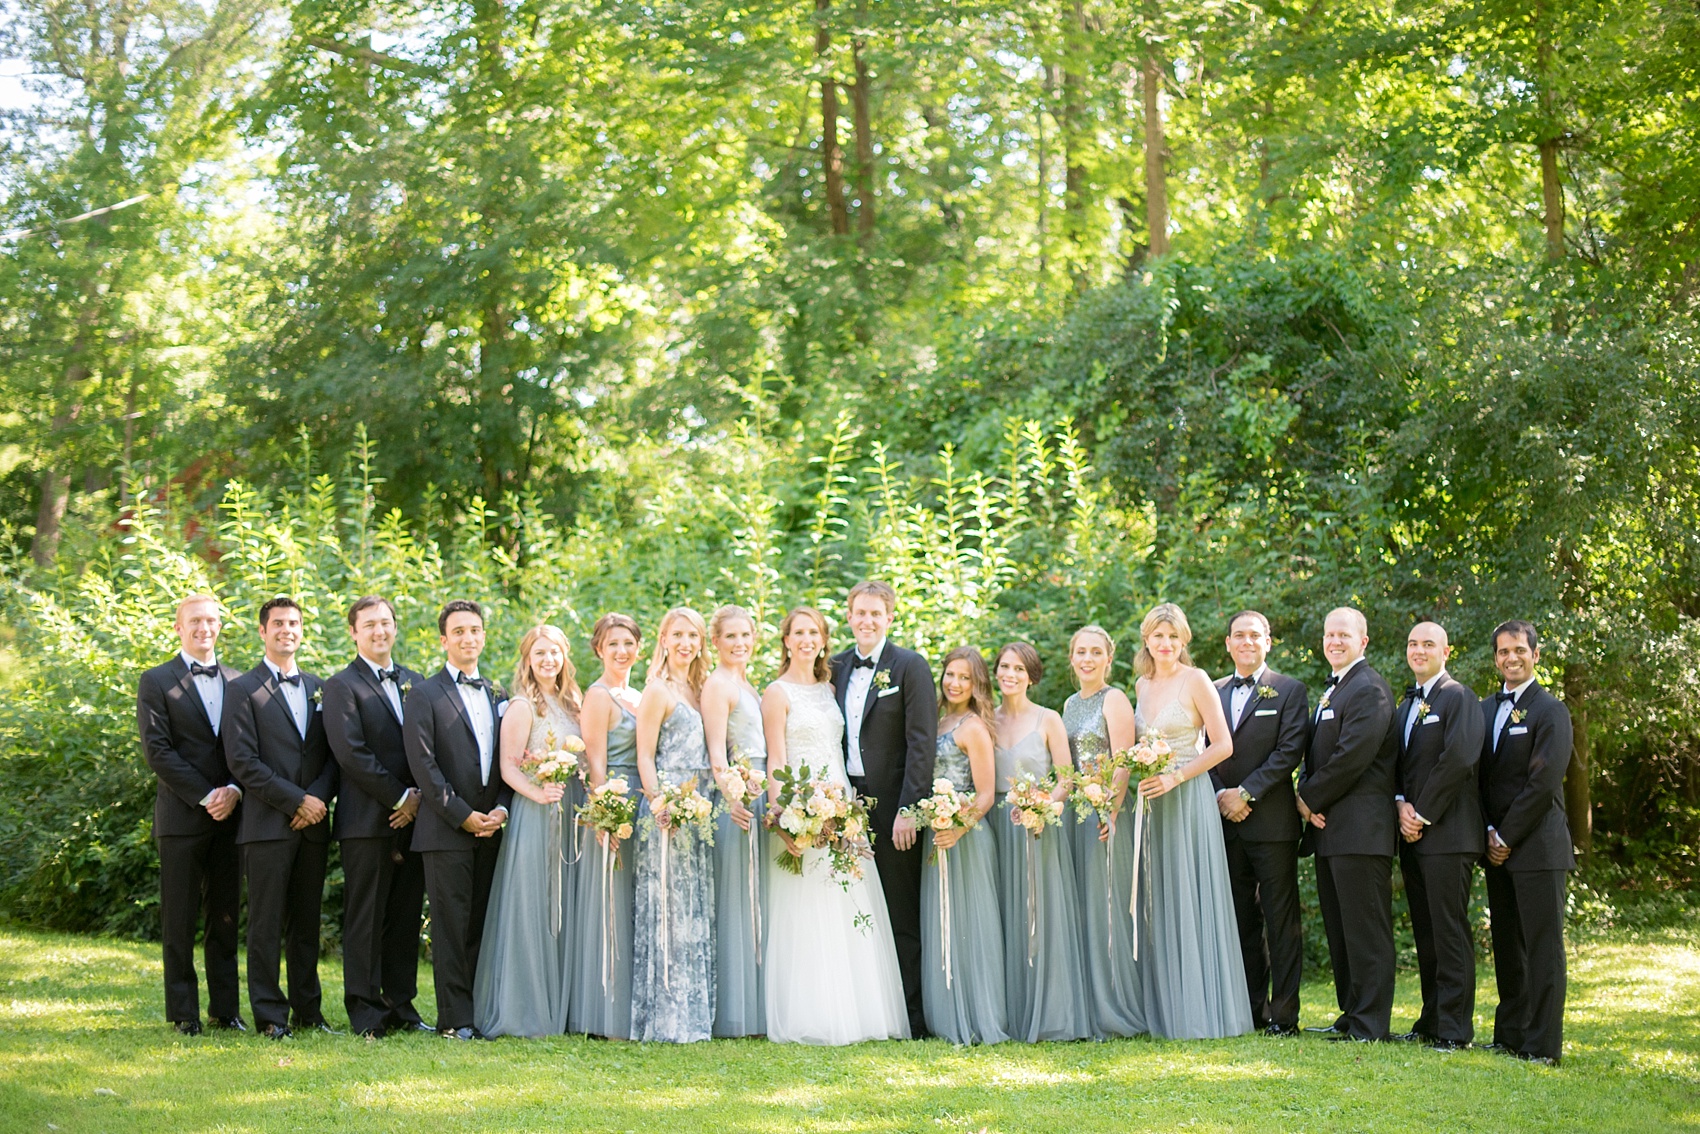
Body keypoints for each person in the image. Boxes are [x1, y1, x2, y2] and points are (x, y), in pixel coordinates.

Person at [763, 606, 909, 1044]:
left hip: (841, 804)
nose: (806, 639)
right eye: (798, 632)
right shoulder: (776, 692)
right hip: (800, 805)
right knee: (806, 905)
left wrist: (841, 806)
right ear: (786, 640)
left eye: (814, 632)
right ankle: (813, 1014)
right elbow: (776, 759)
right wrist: (782, 818)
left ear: (824, 639)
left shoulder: (830, 688)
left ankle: (859, 1012)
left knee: (847, 901)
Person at [1130, 604, 1252, 1040]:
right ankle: (1165, 1007)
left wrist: (1177, 775)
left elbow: (1223, 746)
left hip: (1188, 796)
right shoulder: (1141, 685)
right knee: (1160, 896)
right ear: (1147, 639)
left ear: (1184, 641)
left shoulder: (1196, 680)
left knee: (1191, 893)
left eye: (1173, 637)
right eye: (1158, 636)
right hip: (1153, 802)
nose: (1165, 644)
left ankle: (1201, 1010)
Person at [223, 596, 338, 1040]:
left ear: (301, 629)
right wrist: (295, 802)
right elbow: (242, 761)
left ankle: (310, 1011)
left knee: (307, 923)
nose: (286, 629)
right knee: (267, 925)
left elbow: (331, 756)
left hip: (312, 827)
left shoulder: (319, 687)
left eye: (293, 623)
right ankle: (271, 1015)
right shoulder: (242, 689)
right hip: (267, 825)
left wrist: (316, 802)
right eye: (277, 623)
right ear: (262, 631)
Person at [829, 580, 937, 1038]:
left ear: (890, 617)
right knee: (848, 907)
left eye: (876, 613)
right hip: (842, 804)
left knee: (899, 910)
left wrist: (911, 809)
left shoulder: (910, 666)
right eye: (859, 613)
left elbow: (921, 743)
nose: (867, 621)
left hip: (894, 808)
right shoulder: (832, 667)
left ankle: (910, 1018)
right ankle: (861, 1012)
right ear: (849, 616)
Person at [137, 594, 245, 1036]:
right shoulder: (156, 681)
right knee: (179, 919)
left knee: (224, 916)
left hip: (233, 816)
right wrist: (207, 795)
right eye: (195, 621)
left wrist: (235, 790)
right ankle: (183, 1012)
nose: (204, 627)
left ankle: (225, 1010)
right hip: (183, 816)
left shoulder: (239, 682)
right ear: (178, 628)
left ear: (220, 627)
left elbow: (246, 750)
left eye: (212, 620)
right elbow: (157, 752)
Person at [404, 600, 511, 1040]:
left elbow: (510, 760)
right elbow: (424, 768)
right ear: (444, 640)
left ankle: (478, 1012)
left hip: (492, 827)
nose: (469, 638)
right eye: (459, 631)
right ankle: (454, 1019)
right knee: (450, 926)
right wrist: (463, 815)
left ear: (484, 636)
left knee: (481, 923)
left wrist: (501, 808)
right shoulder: (424, 695)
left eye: (475, 630)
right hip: (445, 829)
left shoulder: (498, 694)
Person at [322, 595, 428, 1039]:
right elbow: (351, 754)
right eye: (369, 625)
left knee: (404, 916)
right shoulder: (341, 686)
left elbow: (427, 746)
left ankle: (401, 1005)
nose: (379, 631)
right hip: (367, 820)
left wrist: (419, 799)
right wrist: (400, 797)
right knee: (365, 917)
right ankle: (365, 1010)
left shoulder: (416, 682)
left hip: (417, 817)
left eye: (386, 623)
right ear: (354, 632)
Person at [474, 624, 583, 1037]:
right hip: (537, 812)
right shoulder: (521, 706)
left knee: (565, 902)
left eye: (554, 652)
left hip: (570, 808)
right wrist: (538, 795)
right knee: (533, 904)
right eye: (539, 654)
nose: (548, 661)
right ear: (528, 659)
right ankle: (526, 1009)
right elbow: (508, 766)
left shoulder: (574, 702)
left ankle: (565, 1004)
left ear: (564, 656)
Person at [1296, 606, 1398, 1043]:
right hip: (1332, 830)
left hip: (1361, 829)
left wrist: (1305, 797)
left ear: (1363, 641)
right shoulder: (1334, 690)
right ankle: (1352, 1013)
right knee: (1341, 930)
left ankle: (1371, 1023)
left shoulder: (1369, 689)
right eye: (1328, 634)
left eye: (1343, 634)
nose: (1334, 641)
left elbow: (1352, 756)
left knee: (1366, 930)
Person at [1479, 619, 1574, 1066]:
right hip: (1496, 850)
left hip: (1537, 848)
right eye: (1503, 651)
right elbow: (1476, 779)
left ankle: (1543, 1045)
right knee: (1508, 946)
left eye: (1519, 650)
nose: (1510, 658)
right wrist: (1487, 833)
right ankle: (1511, 1034)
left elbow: (1543, 782)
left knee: (1542, 948)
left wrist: (1507, 835)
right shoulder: (1483, 709)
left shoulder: (1550, 710)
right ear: (1495, 658)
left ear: (1536, 654)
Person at [1209, 610, 1309, 1036]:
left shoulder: (1289, 690)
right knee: (1240, 922)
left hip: (1271, 825)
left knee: (1281, 920)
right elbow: (1200, 747)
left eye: (1255, 635)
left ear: (1269, 641)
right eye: (1239, 635)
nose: (1246, 642)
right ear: (1228, 643)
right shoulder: (1210, 690)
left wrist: (1244, 794)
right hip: (1224, 825)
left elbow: (1289, 752)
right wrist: (1219, 795)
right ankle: (1250, 1010)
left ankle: (1284, 1014)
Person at [990, 641, 1095, 1042]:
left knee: (1043, 913)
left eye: (1018, 668)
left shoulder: (1048, 718)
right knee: (1006, 913)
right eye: (1004, 666)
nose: (1010, 674)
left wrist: (1043, 808)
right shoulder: (987, 720)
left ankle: (1052, 1012)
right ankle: (1011, 1010)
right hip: (998, 822)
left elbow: (1067, 778)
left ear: (1031, 676)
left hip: (1040, 824)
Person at [1393, 620, 1485, 1051]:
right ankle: (1431, 1019)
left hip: (1448, 834)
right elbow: (1397, 765)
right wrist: (1399, 805)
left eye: (1428, 644)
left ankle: (1454, 1028)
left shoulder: (1458, 698)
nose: (1419, 650)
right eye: (1413, 644)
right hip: (1412, 835)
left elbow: (1460, 758)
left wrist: (1422, 813)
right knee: (1426, 932)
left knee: (1449, 931)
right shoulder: (1405, 704)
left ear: (1446, 652)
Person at [631, 607, 717, 1043]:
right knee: (667, 907)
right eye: (677, 634)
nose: (686, 643)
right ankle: (666, 1016)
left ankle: (695, 1014)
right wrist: (658, 802)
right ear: (663, 639)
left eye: (693, 636)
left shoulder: (701, 689)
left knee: (693, 908)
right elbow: (644, 754)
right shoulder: (657, 691)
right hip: (668, 810)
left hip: (700, 810)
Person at [922, 647, 1008, 1045]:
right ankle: (946, 1015)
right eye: (950, 675)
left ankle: (977, 1016)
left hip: (966, 838)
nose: (955, 683)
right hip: (937, 833)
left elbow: (986, 794)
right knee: (943, 923)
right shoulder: (939, 721)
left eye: (964, 678)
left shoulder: (972, 726)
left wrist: (957, 828)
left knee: (972, 927)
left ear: (977, 685)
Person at [1062, 625, 1144, 1038]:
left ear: (1108, 659)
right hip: (1076, 815)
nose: (1088, 658)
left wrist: (1109, 810)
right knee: (1083, 907)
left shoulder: (1114, 699)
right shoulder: (1069, 703)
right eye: (1081, 651)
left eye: (1096, 652)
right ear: (1072, 657)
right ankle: (1088, 1004)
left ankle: (1116, 1007)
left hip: (1106, 815)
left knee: (1107, 906)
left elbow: (1123, 761)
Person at [568, 614, 644, 1038]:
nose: (621, 651)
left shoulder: (637, 693)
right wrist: (604, 814)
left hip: (642, 800)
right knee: (609, 902)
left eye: (628, 643)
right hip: (613, 799)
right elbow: (595, 761)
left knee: (632, 901)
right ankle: (603, 1012)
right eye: (612, 644)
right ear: (598, 649)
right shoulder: (598, 697)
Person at [701, 605, 767, 1038]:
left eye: (746, 635)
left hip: (757, 791)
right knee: (735, 898)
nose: (739, 643)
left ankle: (758, 1004)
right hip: (736, 799)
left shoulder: (748, 683)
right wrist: (733, 796)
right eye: (731, 637)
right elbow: (716, 751)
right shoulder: (717, 685)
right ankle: (733, 1010)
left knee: (755, 896)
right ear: (716, 642)